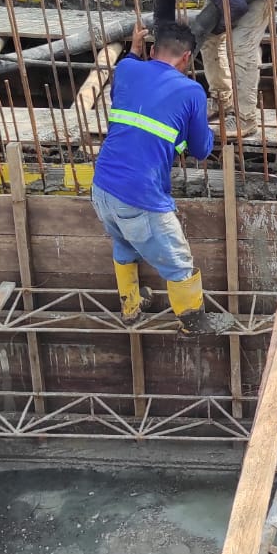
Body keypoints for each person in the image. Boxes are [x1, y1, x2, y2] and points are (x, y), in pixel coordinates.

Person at [91, 21, 221, 332]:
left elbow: (131, 69)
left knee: (123, 244)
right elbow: (201, 150)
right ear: (187, 58)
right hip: (140, 194)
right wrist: (203, 132)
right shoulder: (191, 91)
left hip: (102, 188)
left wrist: (134, 50)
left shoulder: (125, 69)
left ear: (152, 50)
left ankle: (131, 306)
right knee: (178, 261)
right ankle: (193, 322)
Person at [110, 0, 277, 138]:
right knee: (211, 39)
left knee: (240, 45)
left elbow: (236, 6)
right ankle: (222, 100)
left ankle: (245, 119)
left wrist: (214, 28)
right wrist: (159, 66)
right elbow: (163, 18)